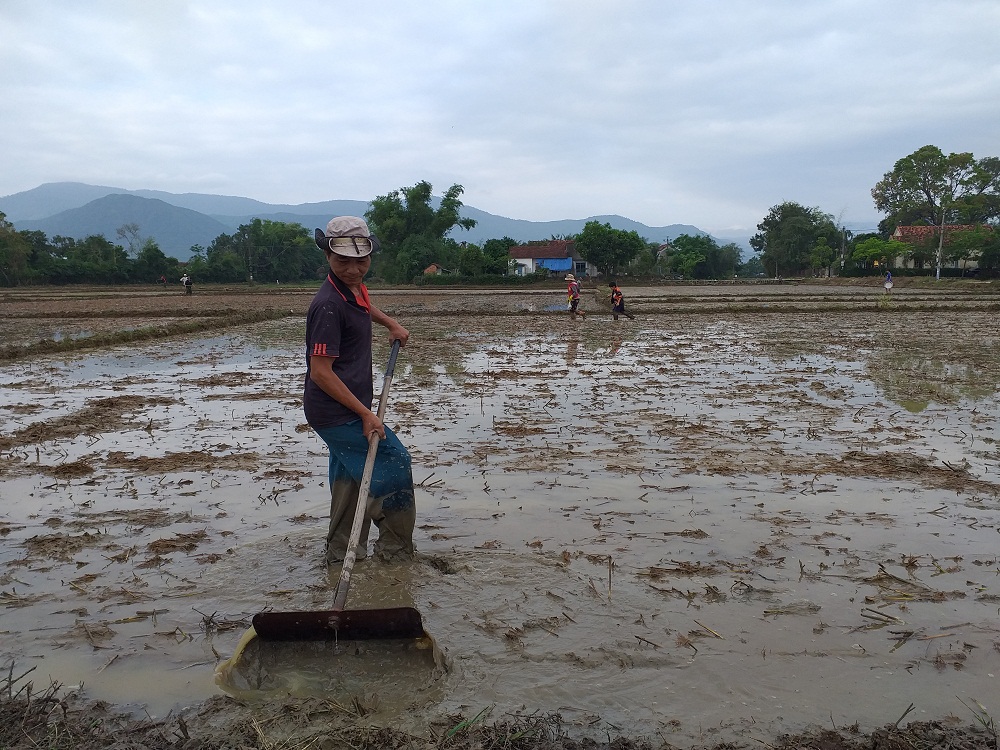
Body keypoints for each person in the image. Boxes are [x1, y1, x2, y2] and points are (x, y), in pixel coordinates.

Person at [304, 216, 415, 564]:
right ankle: (396, 553)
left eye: (361, 261)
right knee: (395, 461)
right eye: (343, 261)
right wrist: (366, 414)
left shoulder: (350, 289)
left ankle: (340, 554)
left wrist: (390, 323)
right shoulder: (328, 305)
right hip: (337, 412)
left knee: (351, 481)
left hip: (349, 407)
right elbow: (320, 373)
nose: (353, 270)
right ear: (327, 257)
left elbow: (364, 303)